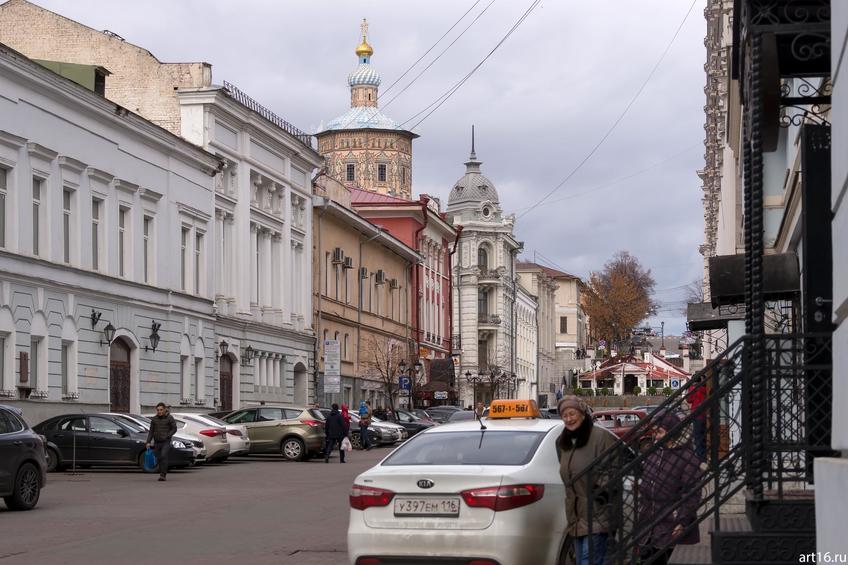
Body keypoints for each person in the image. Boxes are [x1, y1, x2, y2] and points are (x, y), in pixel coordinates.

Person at [556, 395, 618, 565]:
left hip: (597, 511)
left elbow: (615, 466)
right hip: (576, 515)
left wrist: (602, 489)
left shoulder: (600, 437)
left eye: (572, 414)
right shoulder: (565, 442)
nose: (569, 419)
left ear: (583, 414)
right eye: (565, 416)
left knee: (588, 560)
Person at [638, 411, 701, 565]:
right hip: (649, 524)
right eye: (656, 432)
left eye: (660, 432)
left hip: (671, 525)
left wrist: (682, 520)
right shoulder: (653, 453)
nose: (656, 436)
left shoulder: (687, 457)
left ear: (672, 433)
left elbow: (692, 493)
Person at [146, 402, 177, 482]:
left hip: (166, 441)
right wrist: (148, 442)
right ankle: (162, 473)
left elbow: (174, 428)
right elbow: (151, 432)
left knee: (163, 456)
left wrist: (168, 435)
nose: (159, 411)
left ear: (164, 409)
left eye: (161, 410)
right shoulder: (154, 419)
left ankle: (163, 475)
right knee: (159, 458)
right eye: (158, 410)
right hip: (157, 442)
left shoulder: (169, 418)